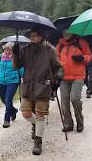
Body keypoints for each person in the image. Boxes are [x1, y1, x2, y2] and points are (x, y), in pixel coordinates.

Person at [13, 27, 62, 155]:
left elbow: (58, 66)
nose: (32, 37)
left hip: (43, 87)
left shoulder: (49, 50)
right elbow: (17, 66)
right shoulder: (25, 50)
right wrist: (15, 54)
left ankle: (38, 141)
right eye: (31, 35)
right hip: (27, 87)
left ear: (41, 36)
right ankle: (37, 125)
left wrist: (58, 79)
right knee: (26, 113)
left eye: (35, 35)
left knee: (40, 115)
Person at [56, 30, 92, 133]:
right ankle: (68, 124)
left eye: (68, 31)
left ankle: (80, 122)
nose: (65, 33)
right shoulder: (60, 45)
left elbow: (89, 56)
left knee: (75, 99)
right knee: (64, 102)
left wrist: (82, 58)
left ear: (73, 32)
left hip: (78, 76)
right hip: (63, 77)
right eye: (64, 32)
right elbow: (55, 60)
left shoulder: (81, 42)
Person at [0, 42, 23, 128]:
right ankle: (13, 110)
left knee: (8, 99)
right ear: (4, 49)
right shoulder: (1, 57)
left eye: (10, 50)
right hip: (1, 81)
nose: (8, 52)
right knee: (4, 100)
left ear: (13, 50)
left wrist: (23, 77)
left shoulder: (16, 58)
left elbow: (21, 68)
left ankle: (6, 120)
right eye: (6, 49)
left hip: (13, 81)